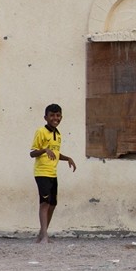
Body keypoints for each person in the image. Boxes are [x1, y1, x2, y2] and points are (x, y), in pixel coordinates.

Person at [29, 103, 77, 243]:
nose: (55, 118)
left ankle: (41, 234)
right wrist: (44, 150)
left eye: (58, 115)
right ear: (46, 117)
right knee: (44, 203)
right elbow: (32, 153)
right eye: (52, 115)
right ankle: (44, 236)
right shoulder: (41, 132)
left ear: (61, 117)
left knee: (53, 204)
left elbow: (54, 153)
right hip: (42, 172)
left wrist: (67, 158)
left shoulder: (58, 133)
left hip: (52, 173)